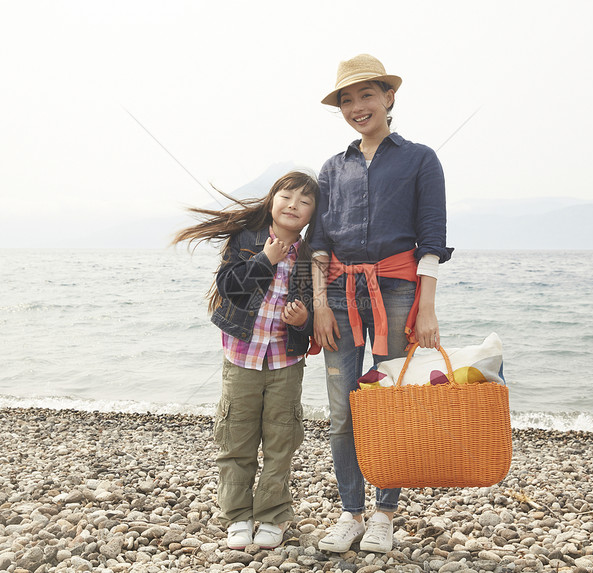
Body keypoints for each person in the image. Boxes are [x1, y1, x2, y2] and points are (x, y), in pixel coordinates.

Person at [311, 54, 453, 553]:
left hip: (398, 290)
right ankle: (351, 512)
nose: (357, 107)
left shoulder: (420, 159)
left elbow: (432, 238)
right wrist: (319, 304)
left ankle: (384, 515)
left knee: (390, 404)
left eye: (366, 95)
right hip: (338, 294)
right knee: (343, 407)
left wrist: (428, 308)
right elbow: (320, 241)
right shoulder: (332, 167)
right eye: (346, 100)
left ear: (389, 98)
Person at [173, 171, 319, 550]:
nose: (293, 206)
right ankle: (237, 516)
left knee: (280, 441)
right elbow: (231, 289)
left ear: (312, 216)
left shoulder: (309, 257)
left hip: (286, 361)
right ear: (272, 199)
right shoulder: (247, 240)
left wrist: (303, 321)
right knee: (236, 439)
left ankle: (272, 515)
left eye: (305, 202)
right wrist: (266, 259)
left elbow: (315, 319)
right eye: (287, 196)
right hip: (241, 358)